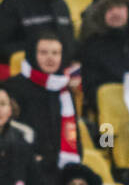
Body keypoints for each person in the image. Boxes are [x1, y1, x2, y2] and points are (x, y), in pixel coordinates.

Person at [5, 32, 83, 171]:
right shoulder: (13, 87)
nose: (50, 58)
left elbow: (73, 133)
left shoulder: (65, 89)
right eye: (43, 52)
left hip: (61, 168)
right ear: (33, 54)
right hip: (27, 166)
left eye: (55, 53)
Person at [76, 0, 129, 121]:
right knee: (106, 141)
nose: (115, 13)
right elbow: (89, 87)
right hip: (107, 116)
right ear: (102, 14)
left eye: (120, 7)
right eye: (110, 9)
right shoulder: (92, 46)